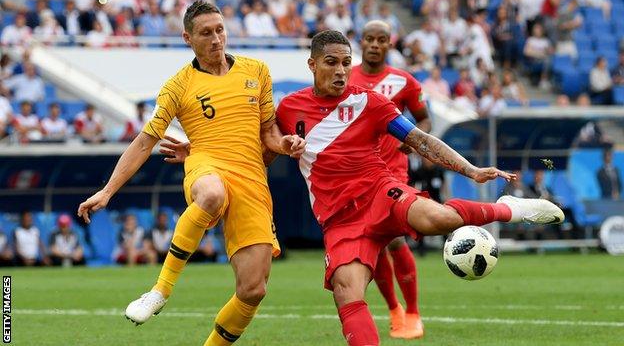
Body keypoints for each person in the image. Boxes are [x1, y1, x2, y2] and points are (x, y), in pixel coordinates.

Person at [163, 30, 565, 346]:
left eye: (346, 63)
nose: (341, 71)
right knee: (346, 290)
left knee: (436, 219)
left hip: (379, 192)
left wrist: (471, 170)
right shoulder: (288, 110)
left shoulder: (369, 102)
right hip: (339, 220)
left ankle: (509, 209)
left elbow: (420, 140)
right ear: (312, 64)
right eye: (331, 63)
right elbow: (256, 151)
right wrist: (202, 150)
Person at [77, 0, 306, 345]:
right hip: (205, 163)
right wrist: (107, 191)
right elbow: (144, 142)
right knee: (212, 194)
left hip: (252, 179)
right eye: (206, 33)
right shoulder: (178, 86)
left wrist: (286, 144)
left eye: (220, 30)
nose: (216, 39)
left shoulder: (257, 71)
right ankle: (160, 290)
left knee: (253, 289)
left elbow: (269, 132)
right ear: (187, 38)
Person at [348, 20, 431, 339]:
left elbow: (423, 119)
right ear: (361, 41)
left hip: (392, 170)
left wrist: (410, 141)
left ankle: (413, 313)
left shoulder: (403, 82)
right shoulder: (347, 77)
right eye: (369, 39)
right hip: (357, 173)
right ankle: (395, 310)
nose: (374, 45)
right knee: (376, 243)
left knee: (394, 238)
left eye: (381, 40)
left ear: (389, 44)